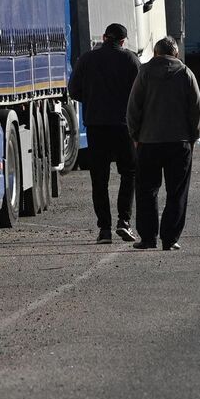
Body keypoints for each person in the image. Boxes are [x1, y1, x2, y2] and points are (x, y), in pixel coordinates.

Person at [126, 37, 200, 251]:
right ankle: (170, 238)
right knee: (177, 191)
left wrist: (135, 135)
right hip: (179, 142)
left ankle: (148, 238)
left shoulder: (145, 72)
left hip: (149, 141)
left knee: (146, 190)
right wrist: (193, 136)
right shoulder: (186, 73)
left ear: (156, 53)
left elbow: (134, 106)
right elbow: (195, 108)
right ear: (176, 54)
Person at [69, 23, 141, 243]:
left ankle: (104, 229)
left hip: (96, 126)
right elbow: (141, 91)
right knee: (129, 173)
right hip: (123, 126)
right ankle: (124, 221)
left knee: (99, 179)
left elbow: (73, 90)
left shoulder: (87, 59)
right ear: (123, 41)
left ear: (104, 38)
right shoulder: (130, 60)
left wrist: (90, 101)